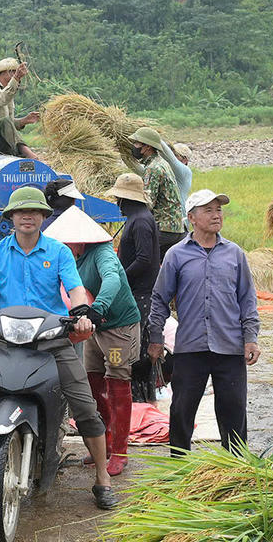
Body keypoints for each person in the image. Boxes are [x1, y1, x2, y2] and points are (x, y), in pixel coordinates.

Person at [0, 186, 119, 511]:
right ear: (10, 218)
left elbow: (76, 290)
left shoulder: (59, 252)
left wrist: (81, 314)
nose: (27, 217)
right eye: (20, 212)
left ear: (44, 217)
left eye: (35, 212)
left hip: (53, 342)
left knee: (86, 408)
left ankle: (103, 479)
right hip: (7, 342)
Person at [148, 189, 261, 456]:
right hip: (191, 347)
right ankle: (178, 465)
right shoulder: (176, 255)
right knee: (181, 410)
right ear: (192, 218)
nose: (216, 215)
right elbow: (159, 298)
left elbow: (247, 298)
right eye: (208, 210)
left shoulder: (234, 254)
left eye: (219, 210)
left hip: (230, 347)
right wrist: (155, 338)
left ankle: (235, 467)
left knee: (234, 412)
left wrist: (251, 337)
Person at [43, 207, 141, 476]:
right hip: (93, 328)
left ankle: (120, 451)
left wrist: (98, 307)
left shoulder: (102, 253)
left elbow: (112, 280)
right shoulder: (70, 257)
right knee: (93, 383)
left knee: (118, 383)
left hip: (118, 326)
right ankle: (104, 444)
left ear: (78, 238)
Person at [107, 173, 160, 404]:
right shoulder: (138, 218)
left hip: (140, 293)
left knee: (137, 349)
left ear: (125, 200)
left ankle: (138, 401)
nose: (117, 204)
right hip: (138, 290)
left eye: (118, 199)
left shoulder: (139, 221)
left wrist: (119, 279)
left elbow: (144, 259)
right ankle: (140, 399)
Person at [128, 127, 187, 259]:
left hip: (164, 228)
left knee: (133, 253)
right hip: (176, 228)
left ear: (147, 147)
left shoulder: (153, 168)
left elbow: (148, 203)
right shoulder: (161, 163)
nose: (134, 146)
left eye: (136, 143)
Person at [0, 57, 40, 159]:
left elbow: (9, 125)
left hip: (2, 142)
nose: (15, 74)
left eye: (15, 72)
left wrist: (24, 121)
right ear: (2, 73)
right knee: (4, 121)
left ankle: (19, 155)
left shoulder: (8, 93)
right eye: (12, 72)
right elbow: (1, 99)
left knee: (6, 121)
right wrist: (17, 77)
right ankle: (26, 153)